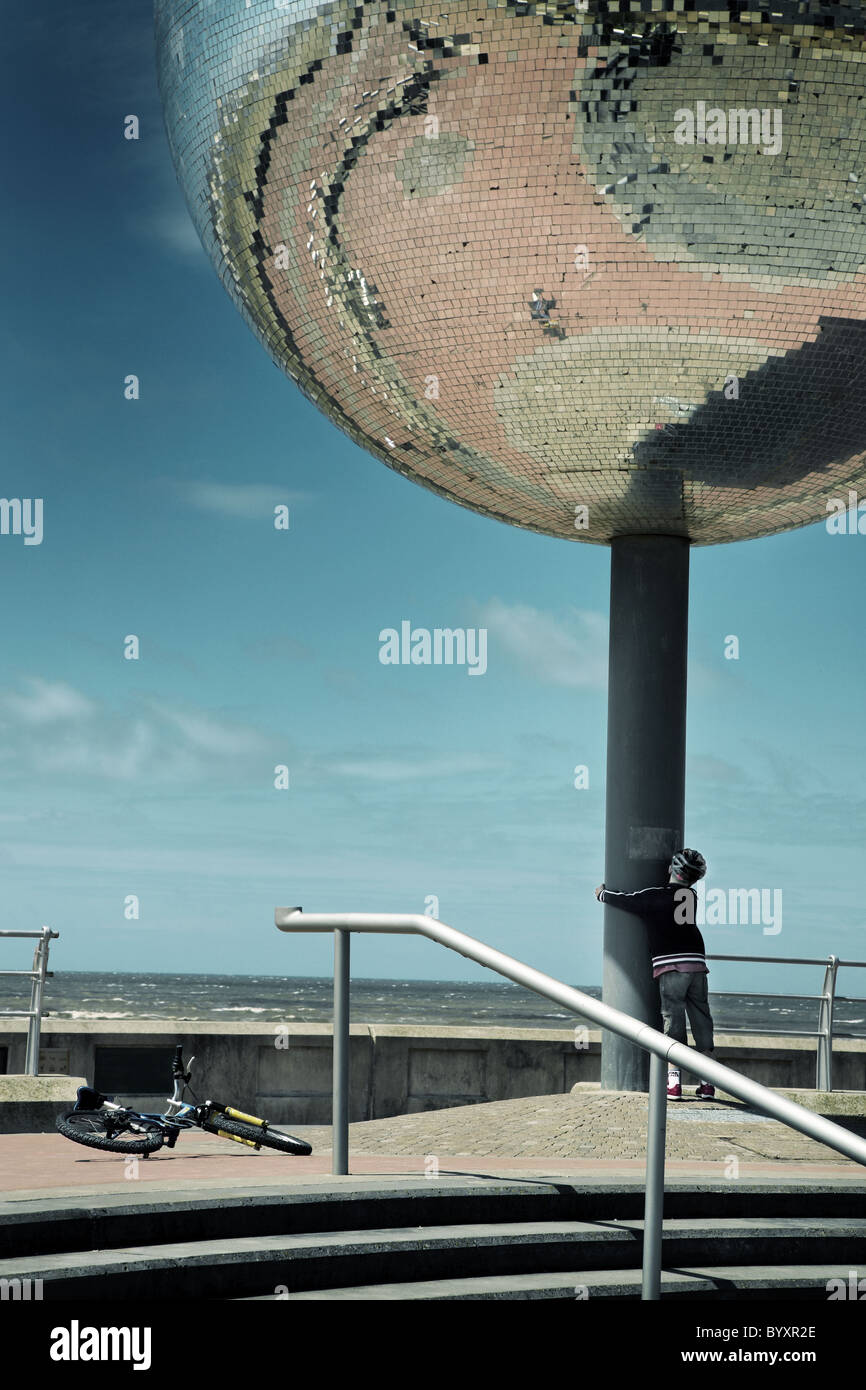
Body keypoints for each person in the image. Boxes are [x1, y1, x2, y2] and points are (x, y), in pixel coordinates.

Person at [595, 849, 715, 1100]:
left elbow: (630, 900)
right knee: (702, 1020)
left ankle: (673, 1083)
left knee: (674, 1023)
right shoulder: (690, 896)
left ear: (671, 869)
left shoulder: (655, 896)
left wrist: (602, 894)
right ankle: (707, 1083)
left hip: (671, 966)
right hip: (697, 963)